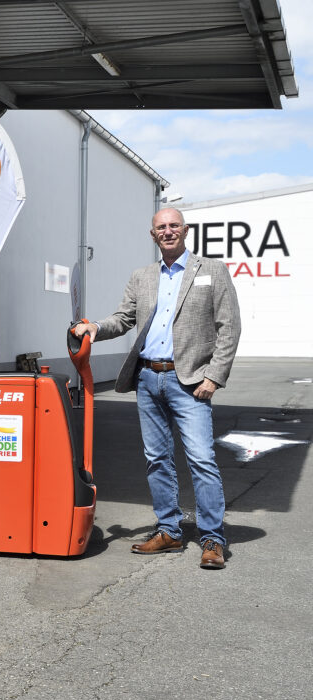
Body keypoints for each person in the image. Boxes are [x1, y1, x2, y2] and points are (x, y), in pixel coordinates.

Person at [72, 207, 240, 570]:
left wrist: (214, 375)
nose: (168, 231)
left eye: (174, 225)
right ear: (153, 235)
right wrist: (95, 329)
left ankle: (212, 538)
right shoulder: (142, 277)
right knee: (156, 459)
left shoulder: (211, 270)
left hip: (191, 381)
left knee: (201, 460)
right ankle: (169, 530)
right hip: (148, 379)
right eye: (161, 227)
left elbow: (229, 327)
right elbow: (124, 318)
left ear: (185, 230)